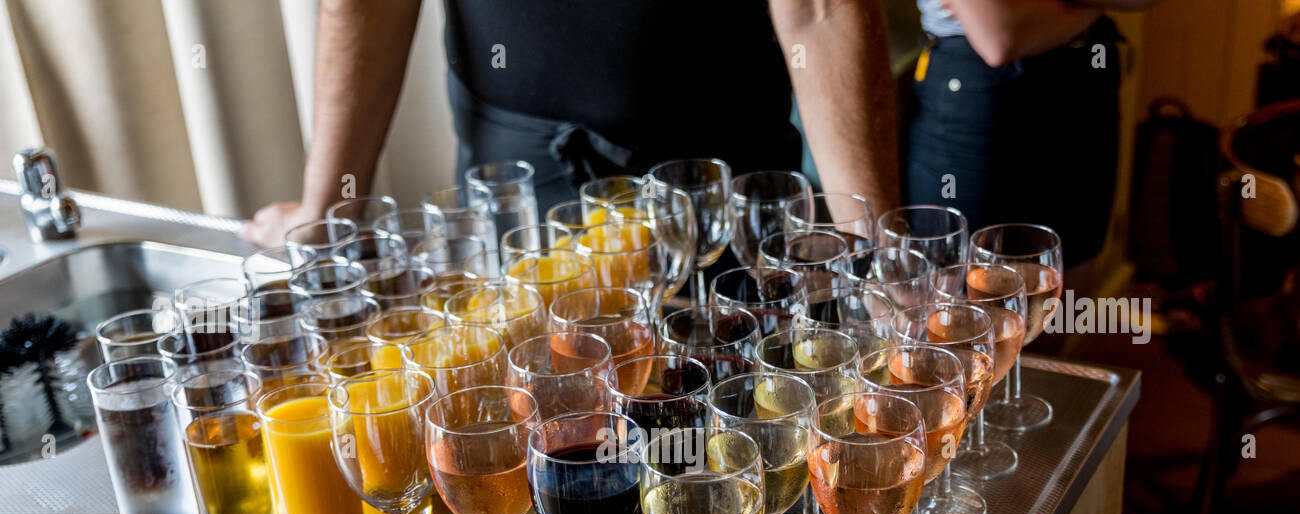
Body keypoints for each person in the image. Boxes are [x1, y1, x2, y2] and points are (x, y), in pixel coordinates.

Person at [244, 0, 900, 247]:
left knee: (743, 478)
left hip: (730, 197)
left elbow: (822, 9)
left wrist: (875, 248)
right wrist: (327, 210)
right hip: (520, 203)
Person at [906, 0, 1165, 267]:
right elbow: (1000, 34)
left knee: (1069, 269)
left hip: (1089, 68)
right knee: (968, 282)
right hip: (982, 94)